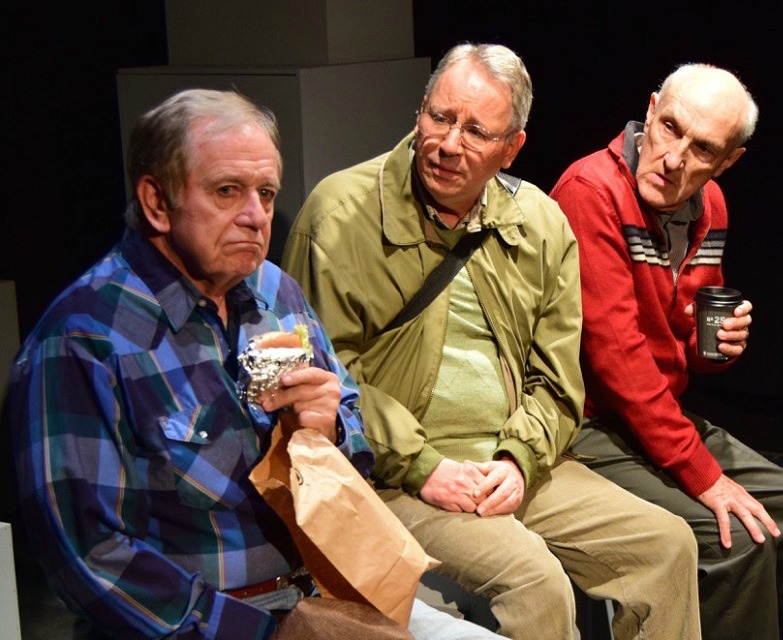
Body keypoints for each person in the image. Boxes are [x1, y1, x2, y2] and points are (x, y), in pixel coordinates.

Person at [6, 88, 503, 640]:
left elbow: (355, 450)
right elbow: (92, 559)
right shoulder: (82, 341)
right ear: (156, 202)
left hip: (331, 593)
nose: (255, 216)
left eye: (266, 194)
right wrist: (267, 634)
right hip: (209, 626)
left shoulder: (275, 292)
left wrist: (327, 431)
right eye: (227, 192)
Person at [281, 43, 702, 640]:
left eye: (477, 131)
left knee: (666, 545)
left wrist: (519, 458)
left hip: (513, 460)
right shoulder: (339, 214)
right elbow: (323, 378)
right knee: (536, 581)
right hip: (397, 474)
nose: (449, 144)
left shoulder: (538, 221)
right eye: (440, 118)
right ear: (419, 111)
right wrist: (423, 464)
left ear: (512, 148)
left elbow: (558, 379)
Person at [549, 63, 783, 640]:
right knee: (730, 537)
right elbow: (618, 364)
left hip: (657, 413)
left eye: (703, 148)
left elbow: (689, 346)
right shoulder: (592, 193)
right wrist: (702, 474)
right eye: (669, 128)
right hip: (588, 422)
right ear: (652, 109)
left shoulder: (710, 206)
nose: (673, 157)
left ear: (728, 161)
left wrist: (721, 349)